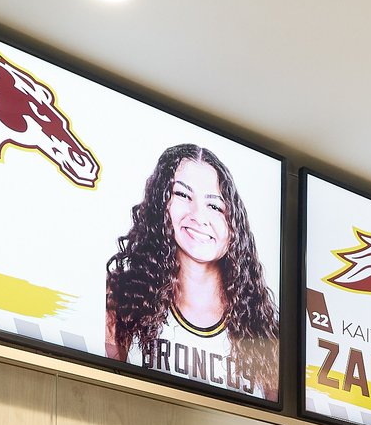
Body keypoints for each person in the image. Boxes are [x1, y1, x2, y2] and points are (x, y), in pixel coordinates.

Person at [104, 143, 278, 399]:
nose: (198, 216)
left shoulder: (264, 330)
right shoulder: (120, 299)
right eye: (183, 195)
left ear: (234, 226)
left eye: (215, 206)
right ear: (160, 205)